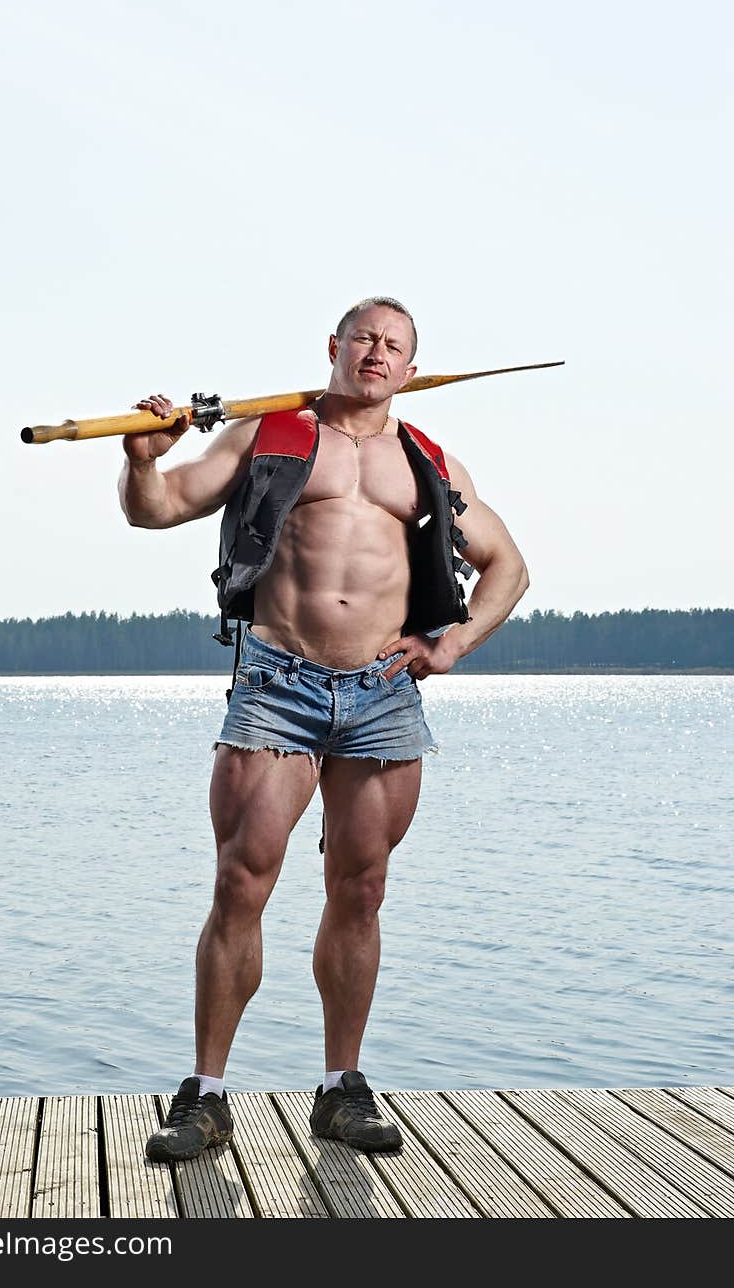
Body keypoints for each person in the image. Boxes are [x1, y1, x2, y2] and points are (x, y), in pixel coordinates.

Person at [119, 297, 529, 1161]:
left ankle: (341, 1089)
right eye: (365, 338)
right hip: (280, 681)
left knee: (362, 889)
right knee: (242, 881)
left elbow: (509, 566)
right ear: (334, 349)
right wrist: (144, 458)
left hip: (382, 693)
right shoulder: (270, 436)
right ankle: (207, 1095)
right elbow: (154, 510)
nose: (377, 352)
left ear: (410, 369)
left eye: (395, 344)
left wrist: (450, 643)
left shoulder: (427, 463)